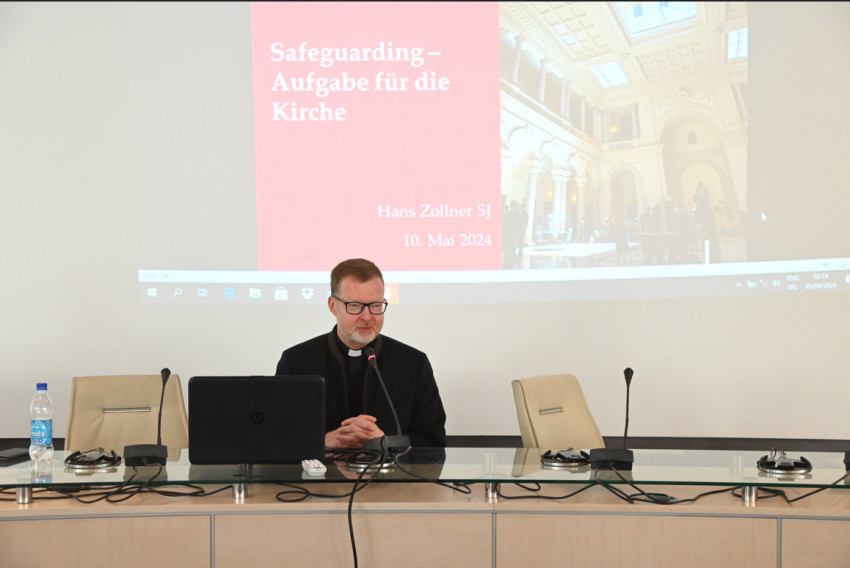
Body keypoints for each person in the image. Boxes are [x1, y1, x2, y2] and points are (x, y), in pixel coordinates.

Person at [275, 258, 447, 449]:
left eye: (375, 305)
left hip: (390, 469)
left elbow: (433, 441)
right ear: (333, 306)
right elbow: (277, 437)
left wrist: (384, 442)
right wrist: (322, 441)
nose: (367, 317)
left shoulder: (413, 363)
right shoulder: (296, 362)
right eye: (355, 305)